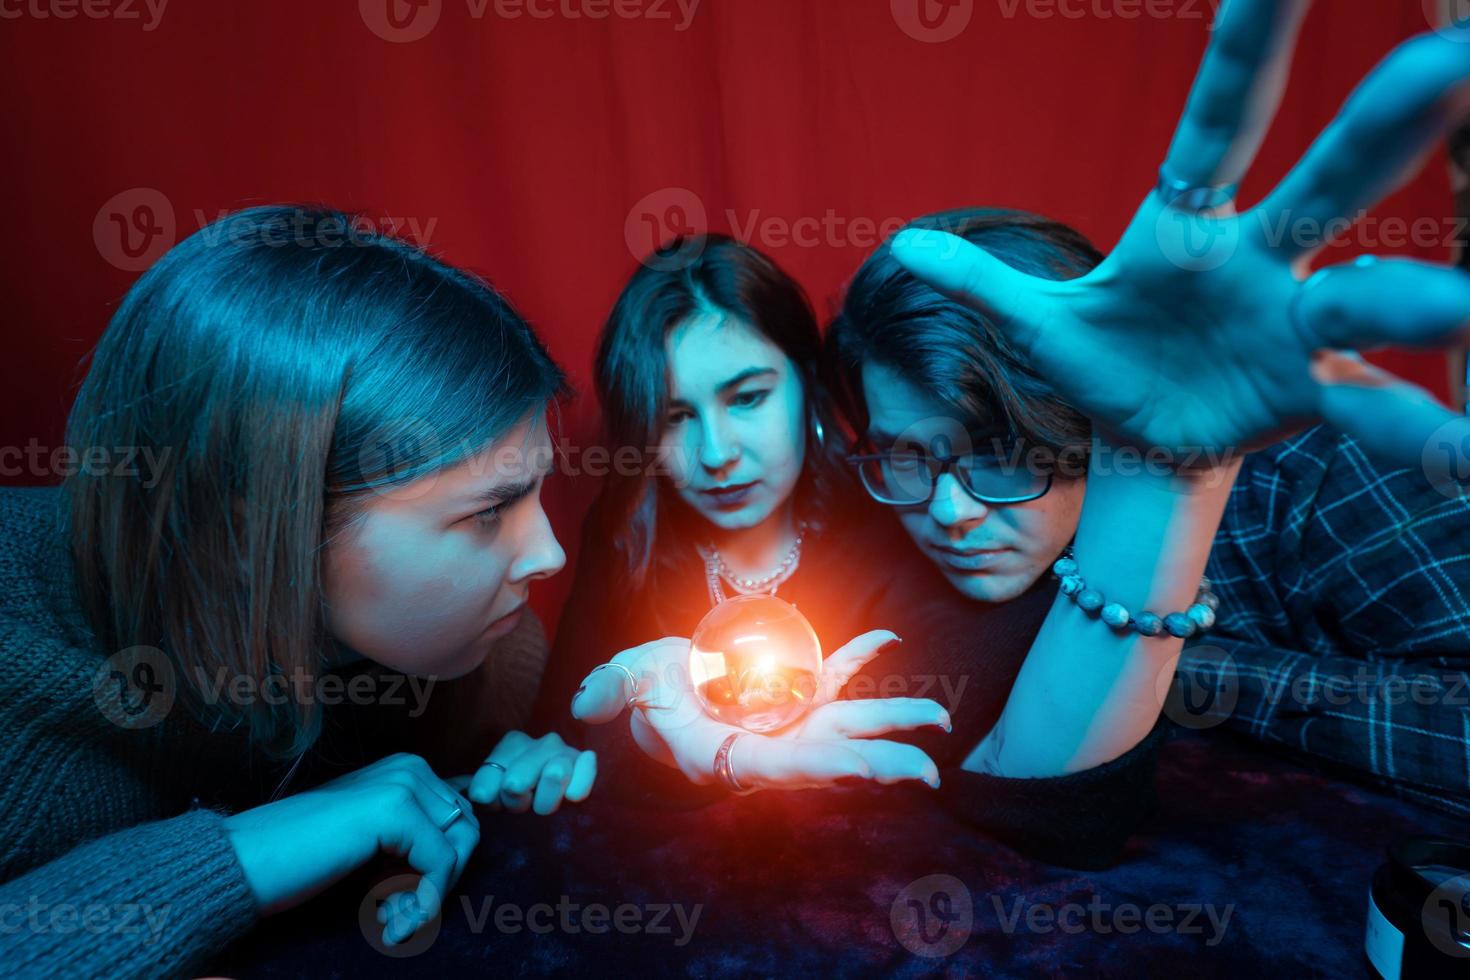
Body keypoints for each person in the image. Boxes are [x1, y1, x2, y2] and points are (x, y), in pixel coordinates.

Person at [570, 0, 1470, 848]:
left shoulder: (1312, 475)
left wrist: (1192, 669)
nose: (952, 512)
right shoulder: (903, 523)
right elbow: (1017, 791)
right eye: (906, 457)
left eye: (1001, 454)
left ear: (1083, 414)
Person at [1, 205, 587, 974]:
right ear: (251, 534)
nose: (547, 554)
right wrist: (246, 853)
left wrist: (501, 775)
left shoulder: (485, 660)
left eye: (535, 492)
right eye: (487, 513)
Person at [532, 234, 951, 796]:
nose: (716, 454)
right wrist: (649, 743)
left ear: (807, 379)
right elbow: (565, 734)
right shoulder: (624, 530)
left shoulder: (894, 515)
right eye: (675, 417)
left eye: (747, 398)